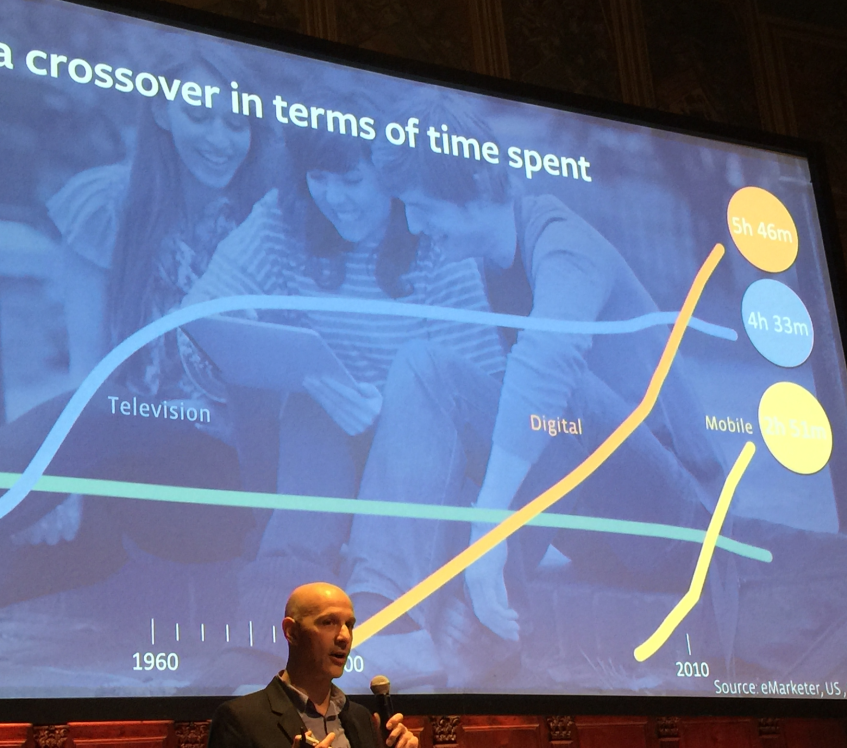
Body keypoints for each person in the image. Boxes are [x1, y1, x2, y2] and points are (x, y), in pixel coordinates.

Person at [341, 94, 847, 687]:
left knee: (544, 390)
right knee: (431, 371)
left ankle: (431, 625)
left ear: (475, 185)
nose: (412, 225)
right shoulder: (495, 262)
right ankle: (388, 617)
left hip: (683, 524)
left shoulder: (563, 243)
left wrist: (486, 531)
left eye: (421, 207)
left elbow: (547, 368)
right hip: (606, 518)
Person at [0, 43, 279, 680]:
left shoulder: (272, 222)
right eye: (200, 116)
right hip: (122, 459)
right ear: (161, 112)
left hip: (224, 484)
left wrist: (68, 466)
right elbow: (91, 370)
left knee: (97, 426)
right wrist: (65, 476)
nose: (221, 140)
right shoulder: (111, 205)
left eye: (237, 123)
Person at [181, 89, 506, 683]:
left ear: (389, 177)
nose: (332, 197)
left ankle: (375, 626)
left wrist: (386, 412)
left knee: (342, 402)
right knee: (312, 406)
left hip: (418, 477)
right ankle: (263, 639)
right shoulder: (284, 219)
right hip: (315, 455)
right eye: (319, 178)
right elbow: (202, 319)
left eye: (351, 180)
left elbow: (472, 403)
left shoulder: (434, 240)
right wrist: (253, 345)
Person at [207, 582, 419, 748]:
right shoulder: (241, 719)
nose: (344, 636)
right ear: (292, 632)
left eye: (349, 625)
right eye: (328, 622)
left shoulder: (360, 717)